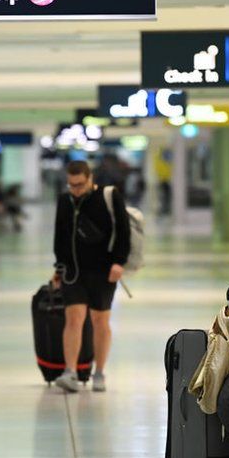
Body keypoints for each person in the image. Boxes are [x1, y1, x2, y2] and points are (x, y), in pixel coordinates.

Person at [51, 160, 130, 393]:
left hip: (103, 271)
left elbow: (123, 230)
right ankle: (70, 372)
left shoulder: (108, 196)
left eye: (79, 185)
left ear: (90, 179)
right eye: (71, 185)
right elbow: (60, 236)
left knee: (100, 321)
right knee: (74, 318)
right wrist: (59, 268)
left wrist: (119, 262)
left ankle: (99, 372)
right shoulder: (65, 201)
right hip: (74, 272)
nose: (75, 190)